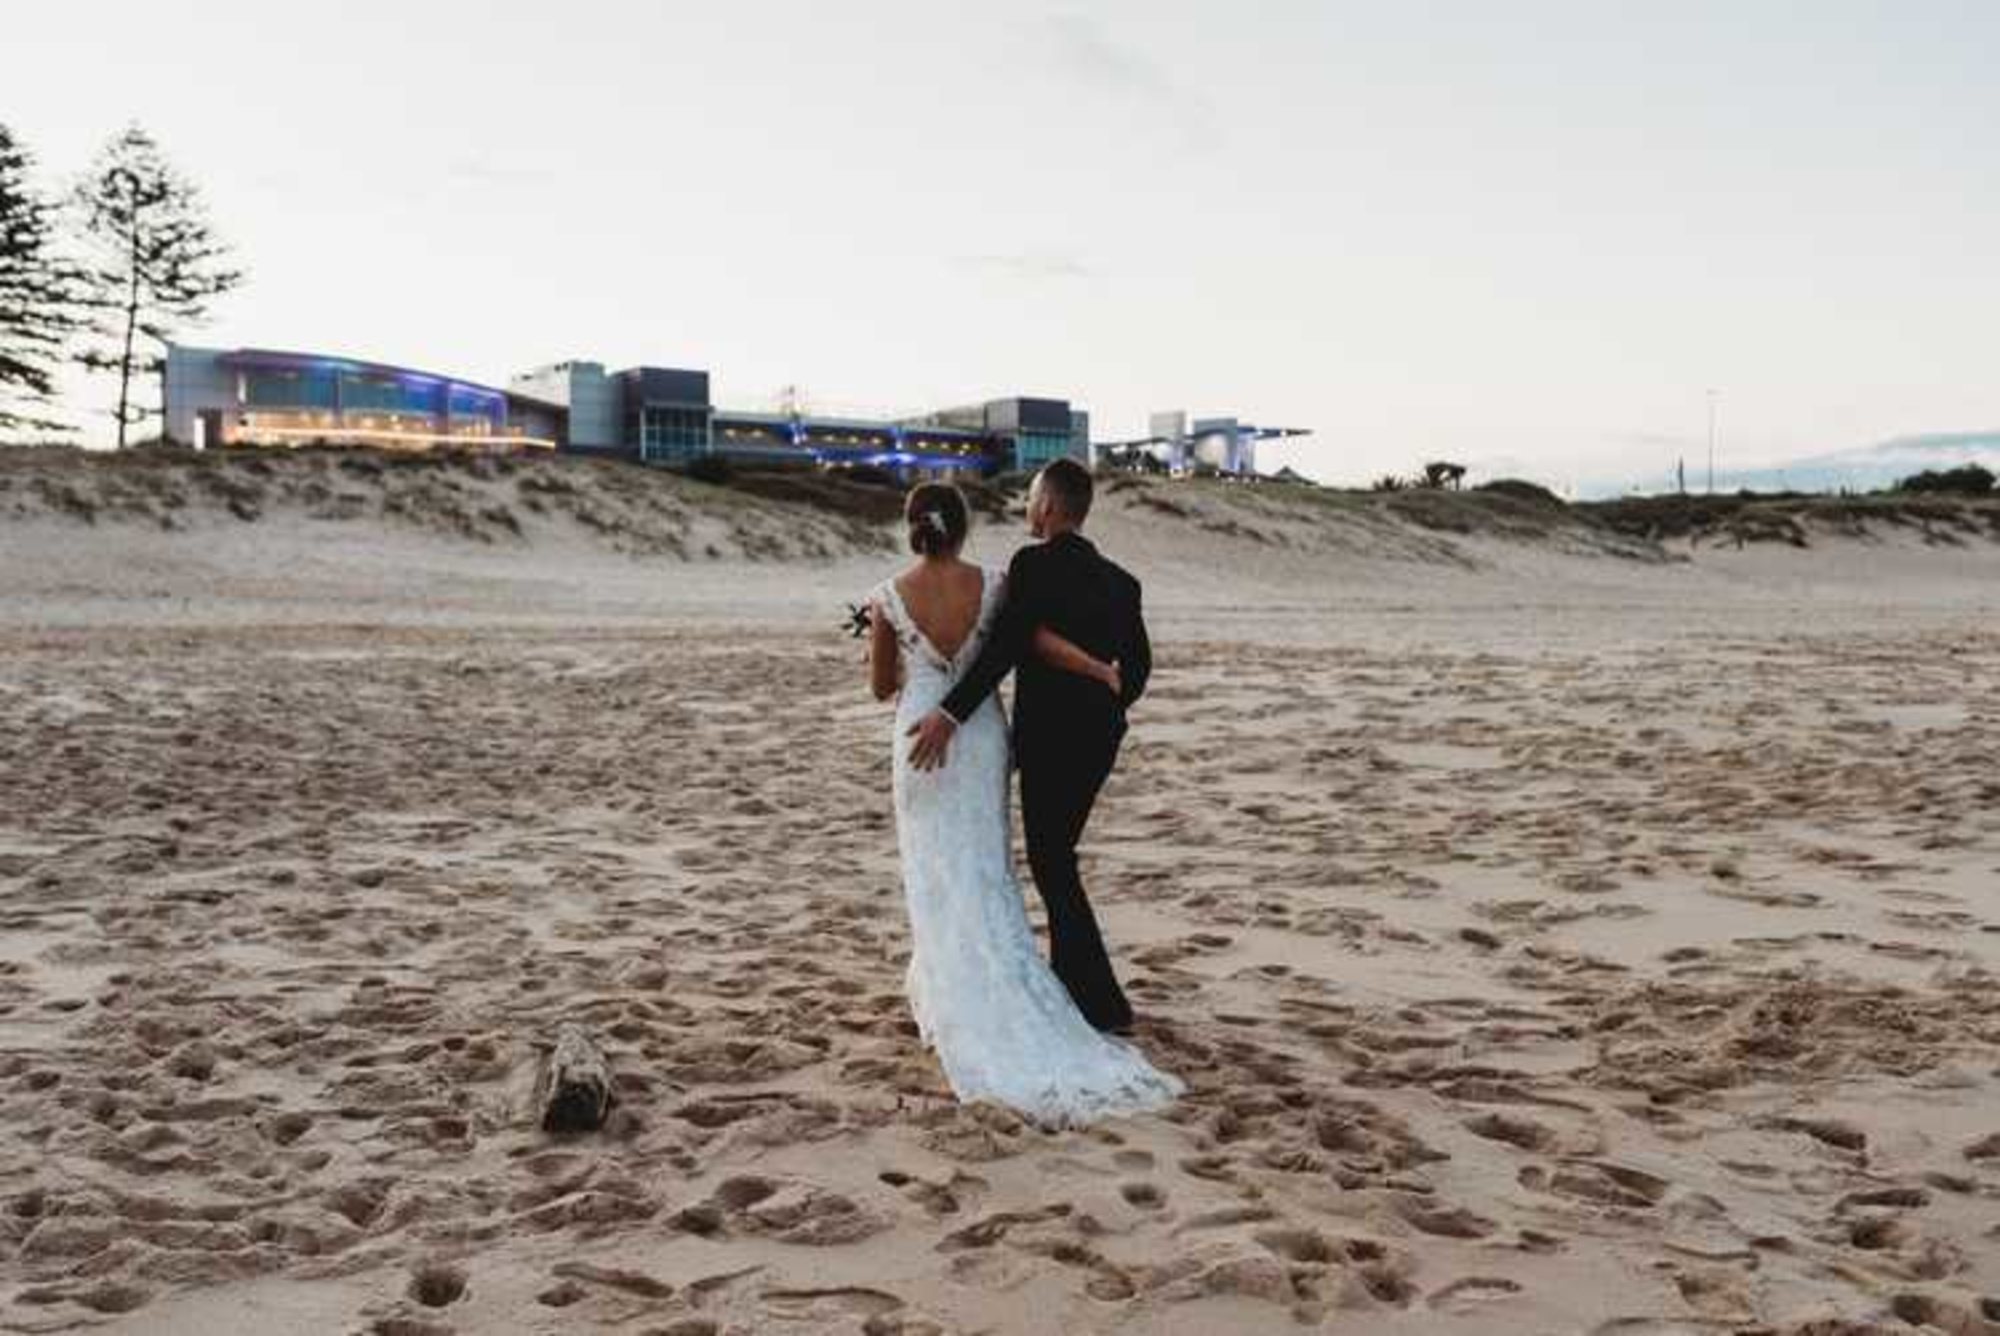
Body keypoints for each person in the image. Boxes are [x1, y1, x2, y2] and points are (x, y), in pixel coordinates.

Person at [865, 480, 1179, 1124]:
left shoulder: (910, 591)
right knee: (1008, 864)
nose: (1029, 506)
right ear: (960, 528)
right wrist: (1101, 684)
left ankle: (1045, 1000)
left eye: (1035, 497)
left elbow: (905, 681)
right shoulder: (1044, 581)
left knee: (973, 869)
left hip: (957, 732)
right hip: (1033, 740)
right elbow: (1082, 656)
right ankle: (1064, 995)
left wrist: (937, 700)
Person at [904, 459, 1150, 1034]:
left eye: (1031, 497)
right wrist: (1107, 705)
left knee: (1053, 862)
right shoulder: (1121, 581)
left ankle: (1101, 1005)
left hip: (1051, 741)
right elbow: (1137, 669)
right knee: (1057, 856)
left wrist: (948, 712)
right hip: (1101, 739)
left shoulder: (1032, 563)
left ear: (1048, 506)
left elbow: (1007, 647)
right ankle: (1080, 989)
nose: (1026, 507)